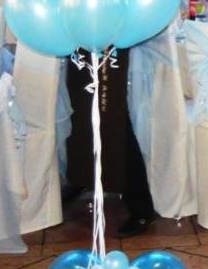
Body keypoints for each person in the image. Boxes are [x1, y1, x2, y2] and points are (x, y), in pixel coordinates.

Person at [64, 47, 158, 237]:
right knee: (81, 116)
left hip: (108, 44)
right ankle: (84, 177)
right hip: (79, 43)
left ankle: (142, 209)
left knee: (113, 122)